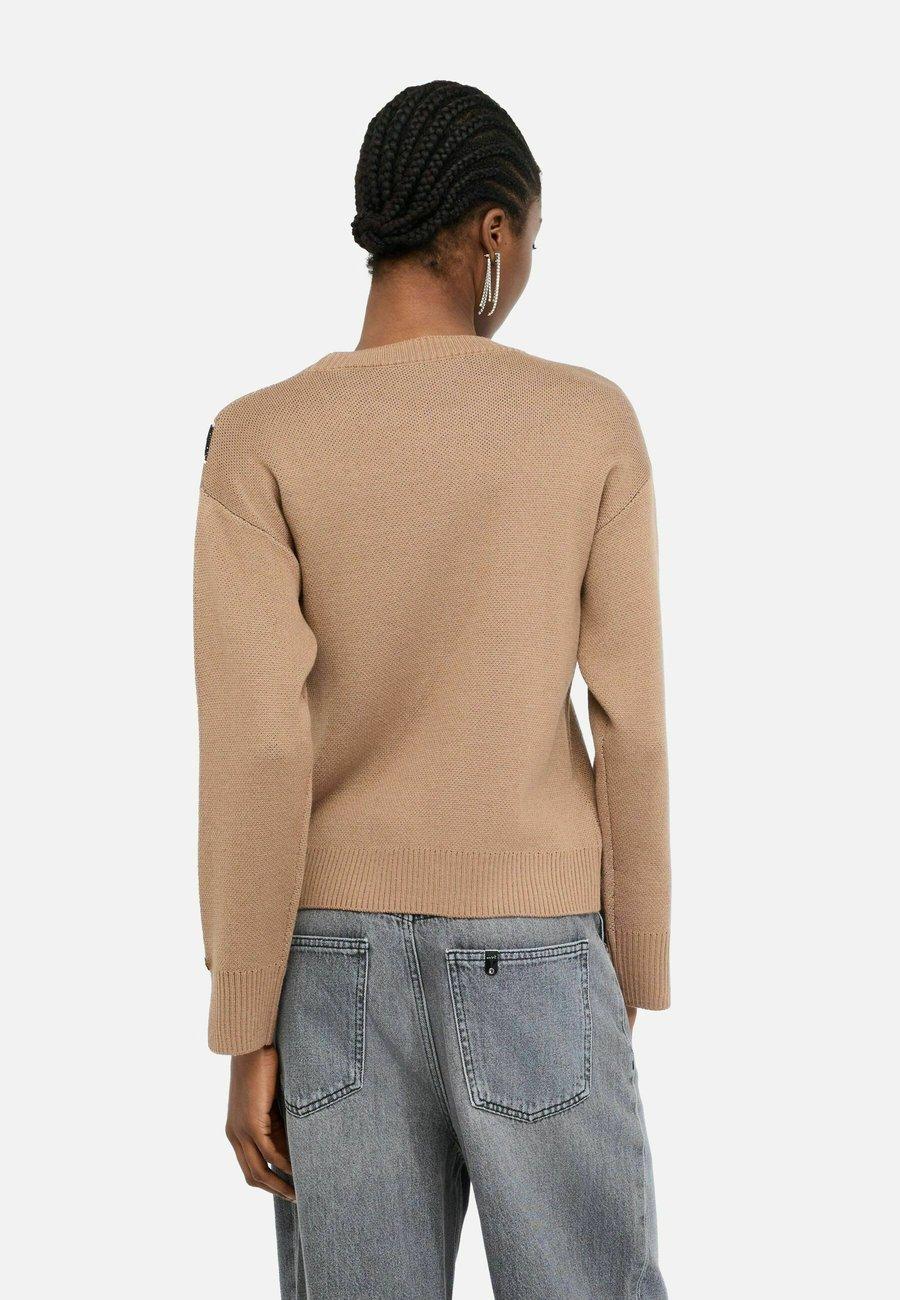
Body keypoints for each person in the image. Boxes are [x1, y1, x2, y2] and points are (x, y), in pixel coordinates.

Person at [194, 79, 671, 1300]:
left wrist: (246, 1022)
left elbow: (257, 747)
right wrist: (634, 962)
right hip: (541, 941)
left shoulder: (259, 437)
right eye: (534, 239)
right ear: (493, 232)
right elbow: (632, 722)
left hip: (330, 966)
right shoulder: (589, 421)